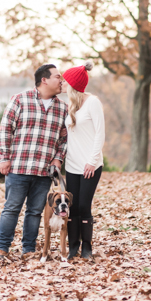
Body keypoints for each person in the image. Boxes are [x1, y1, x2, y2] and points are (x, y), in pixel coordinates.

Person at [0, 64, 68, 261]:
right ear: (44, 80)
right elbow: (5, 129)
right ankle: (2, 249)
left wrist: (58, 158)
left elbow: (64, 138)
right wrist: (4, 157)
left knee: (35, 212)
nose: (62, 81)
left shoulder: (62, 108)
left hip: (44, 171)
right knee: (12, 209)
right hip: (18, 167)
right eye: (58, 77)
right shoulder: (20, 100)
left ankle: (28, 249)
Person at [61, 60, 105, 261]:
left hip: (90, 165)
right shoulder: (71, 105)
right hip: (72, 165)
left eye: (65, 82)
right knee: (72, 206)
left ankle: (87, 247)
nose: (63, 84)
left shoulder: (93, 102)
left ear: (73, 85)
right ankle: (73, 247)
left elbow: (100, 134)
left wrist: (92, 161)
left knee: (84, 206)